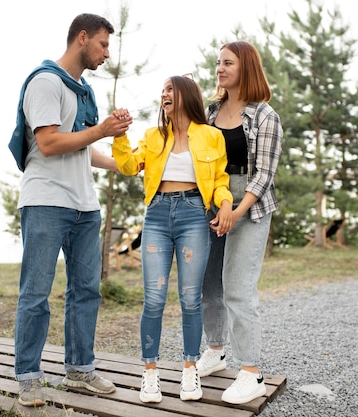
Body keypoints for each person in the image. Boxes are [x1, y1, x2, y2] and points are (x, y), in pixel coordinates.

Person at [12, 13, 132, 407]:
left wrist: (119, 163)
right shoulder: (45, 82)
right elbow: (48, 143)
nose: (106, 54)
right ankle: (29, 376)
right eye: (102, 45)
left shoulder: (82, 90)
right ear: (82, 38)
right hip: (46, 201)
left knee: (86, 292)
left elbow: (79, 145)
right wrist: (103, 131)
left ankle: (80, 370)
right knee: (36, 293)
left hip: (84, 205)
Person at [111, 75, 233, 403]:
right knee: (153, 298)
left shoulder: (211, 136)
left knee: (191, 298)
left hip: (194, 213)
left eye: (170, 89)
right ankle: (149, 373)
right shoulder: (153, 136)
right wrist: (120, 136)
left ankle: (190, 369)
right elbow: (126, 166)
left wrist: (225, 203)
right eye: (162, 91)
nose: (164, 95)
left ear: (186, 96)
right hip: (157, 216)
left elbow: (220, 180)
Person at [196, 41, 283, 405]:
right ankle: (215, 352)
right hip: (212, 201)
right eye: (218, 63)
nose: (219, 68)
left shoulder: (265, 116)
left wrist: (236, 210)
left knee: (237, 288)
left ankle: (251, 372)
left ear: (245, 67)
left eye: (227, 63)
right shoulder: (210, 112)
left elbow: (263, 176)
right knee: (208, 284)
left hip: (249, 203)